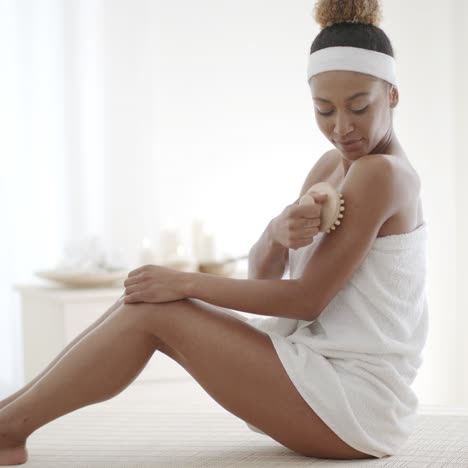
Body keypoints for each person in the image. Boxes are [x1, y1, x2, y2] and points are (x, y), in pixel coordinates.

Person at [0, 0, 427, 464]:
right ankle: (7, 418)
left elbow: (306, 300)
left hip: (356, 403)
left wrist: (184, 282)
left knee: (155, 309)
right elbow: (267, 280)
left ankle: (8, 429)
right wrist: (275, 234)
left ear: (392, 95)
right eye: (324, 110)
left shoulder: (383, 174)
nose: (341, 128)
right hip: (316, 373)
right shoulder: (331, 166)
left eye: (359, 107)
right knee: (144, 302)